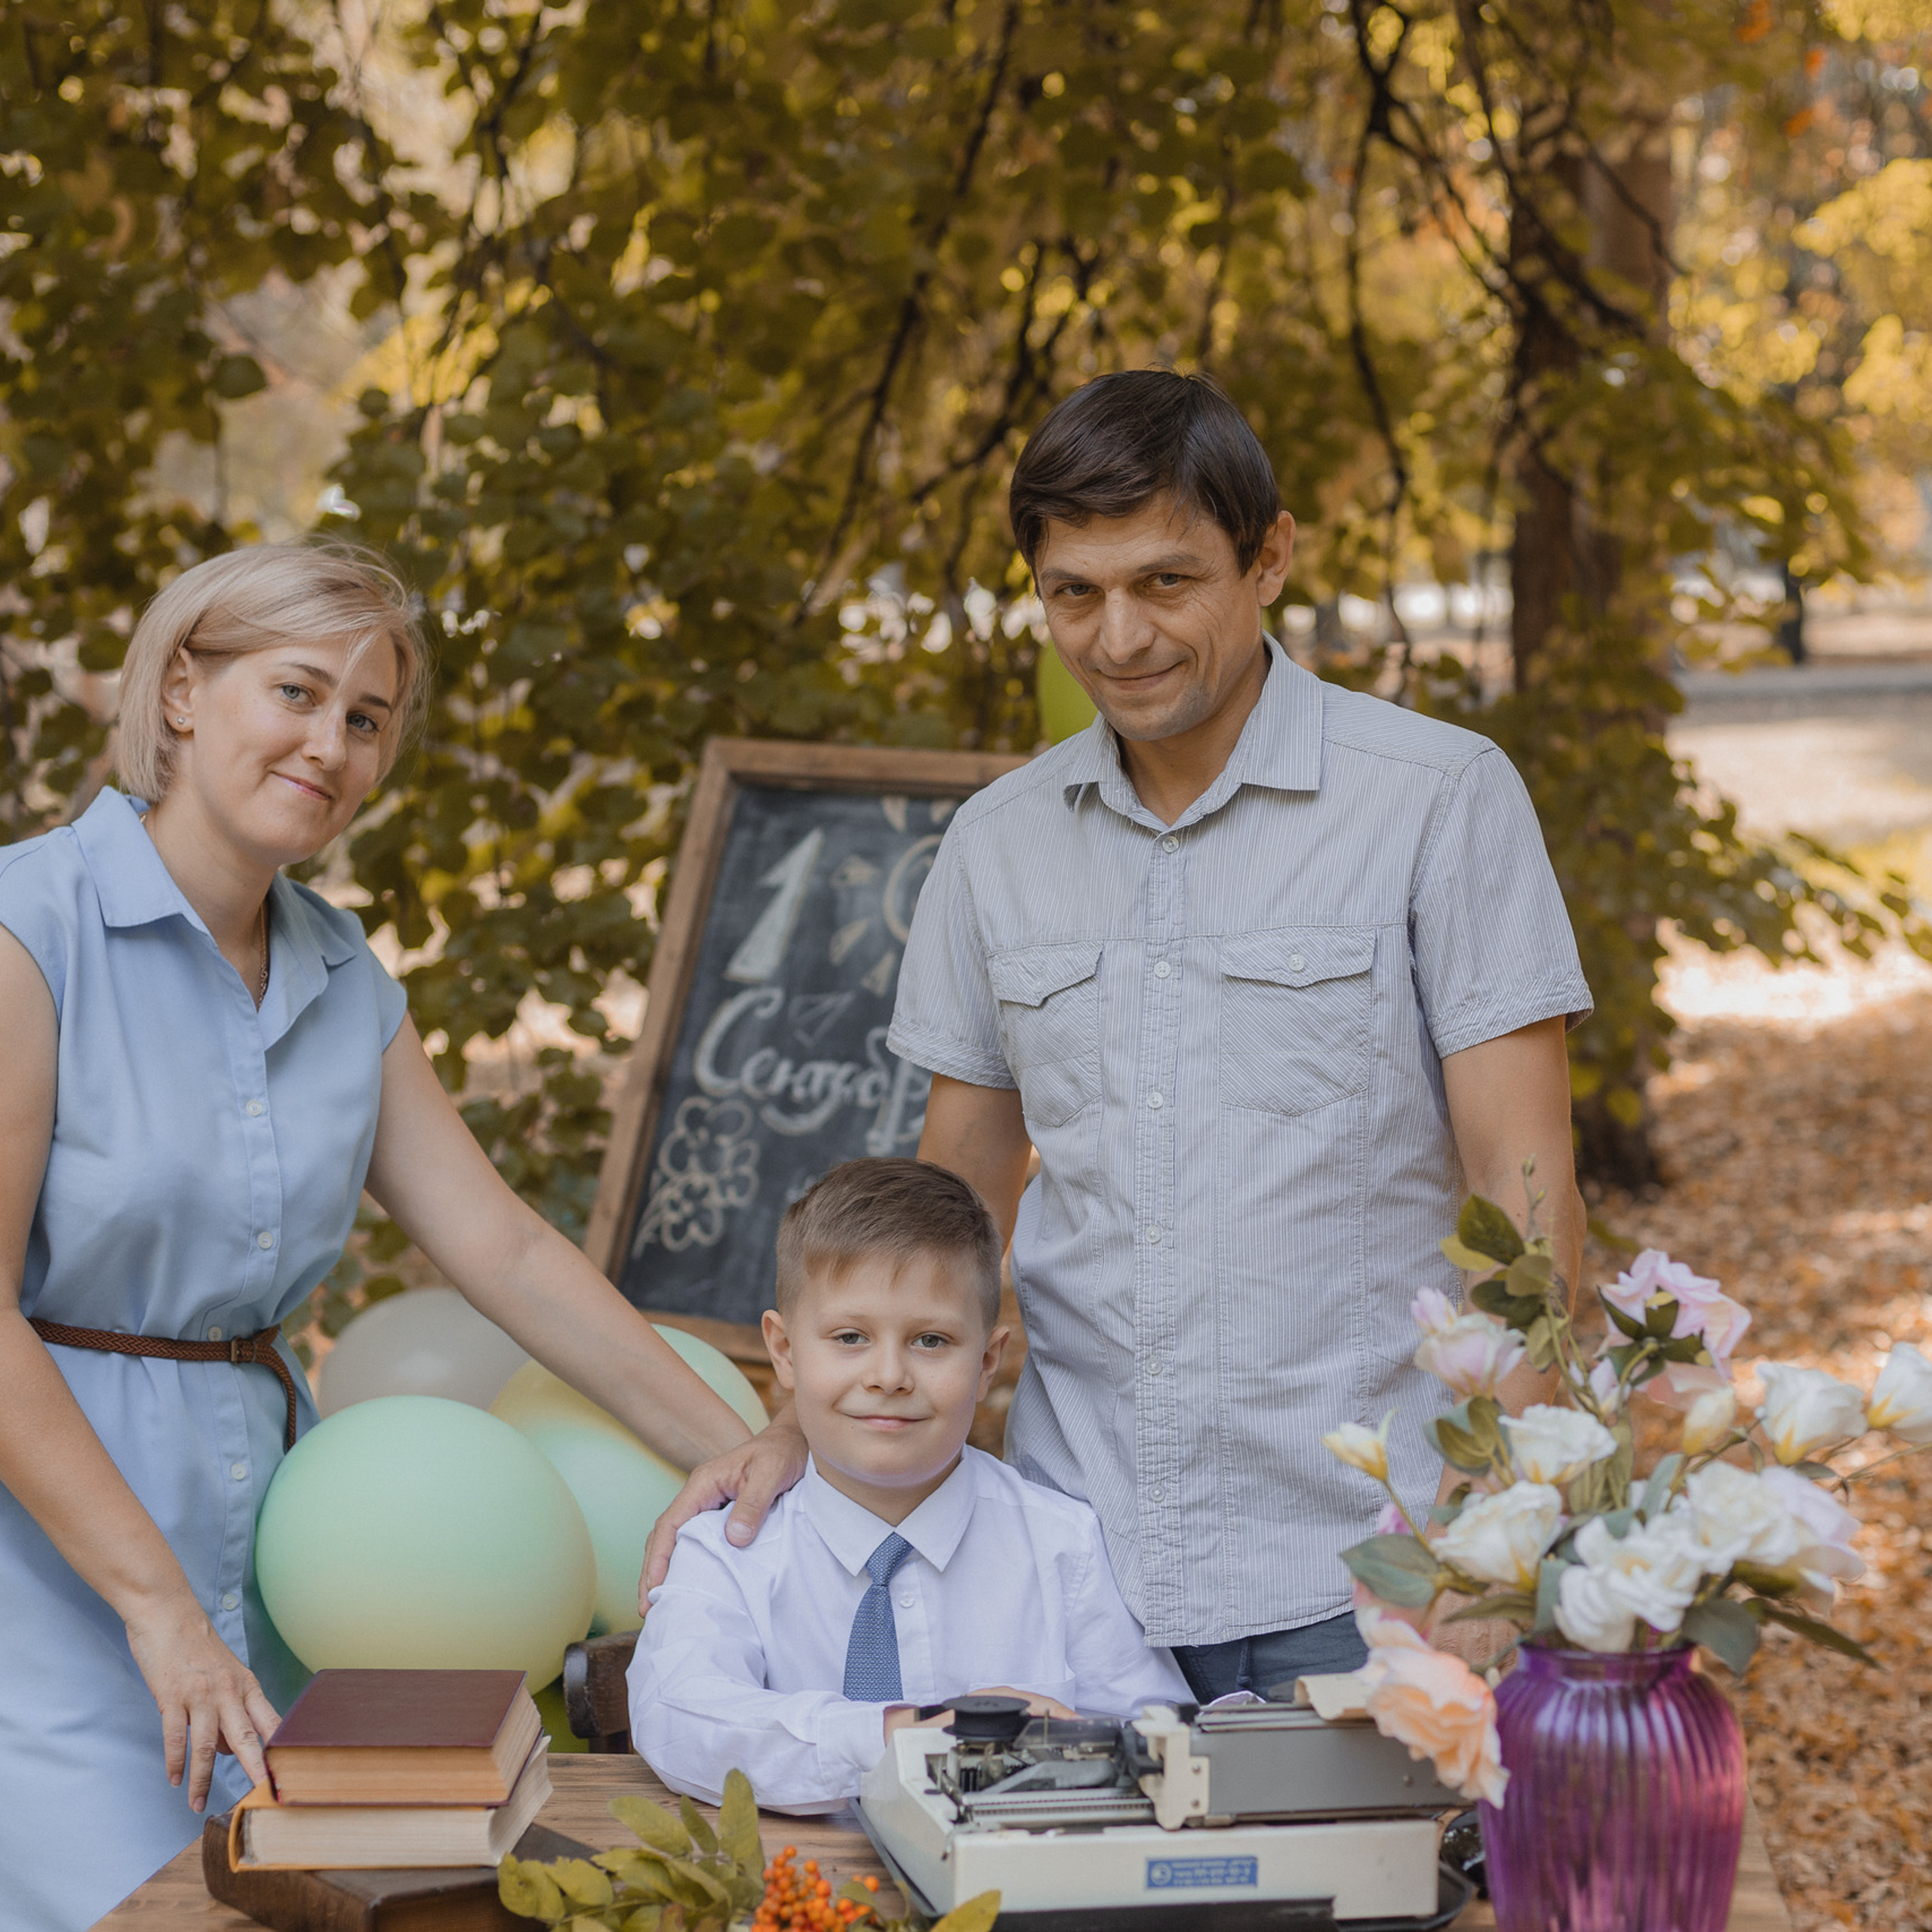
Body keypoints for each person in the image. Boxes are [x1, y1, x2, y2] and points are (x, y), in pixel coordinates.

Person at [646, 369, 1590, 1703]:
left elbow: (1526, 1195)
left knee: (1375, 1914)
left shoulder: (1440, 803)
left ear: (1270, 561)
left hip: (1374, 1564)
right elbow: (950, 1208)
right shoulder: (995, 846)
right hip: (1066, 1566)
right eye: (1074, 594)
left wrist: (1502, 1527)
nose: (1119, 636)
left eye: (1165, 582)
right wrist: (797, 1428)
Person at [0, 544, 766, 1932]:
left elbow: (507, 1252)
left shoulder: (345, 976)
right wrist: (160, 1609)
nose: (332, 747)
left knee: (318, 1905)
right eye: (296, 691)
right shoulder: (27, 928)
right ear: (182, 689)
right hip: (51, 1567)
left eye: (367, 720)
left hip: (292, 1560)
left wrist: (737, 1448)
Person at [628, 1158, 1189, 1813]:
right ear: (784, 1351)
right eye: (850, 1337)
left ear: (986, 1363)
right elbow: (681, 1717)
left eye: (930, 1340)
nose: (888, 1375)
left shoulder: (1067, 1547)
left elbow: (1158, 1740)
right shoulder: (726, 1550)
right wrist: (913, 1736)